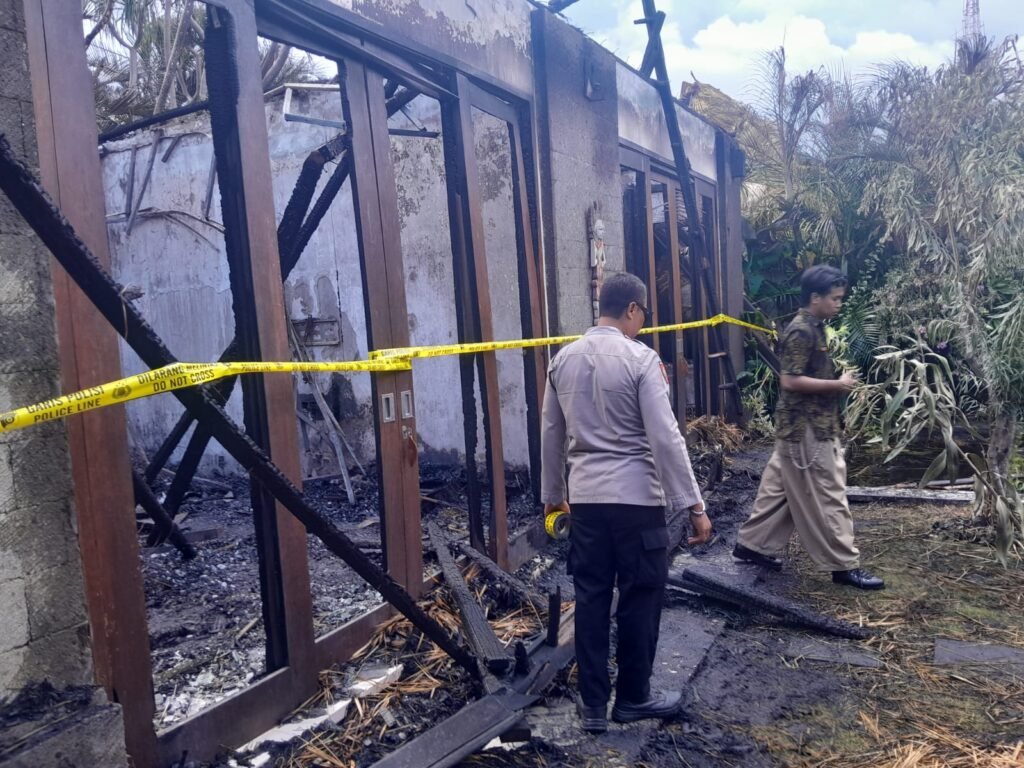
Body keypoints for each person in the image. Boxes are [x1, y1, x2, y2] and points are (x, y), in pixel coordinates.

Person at [540, 272, 712, 734]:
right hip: (638, 503)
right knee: (640, 598)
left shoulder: (562, 360)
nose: (642, 323)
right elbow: (665, 437)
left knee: (592, 599)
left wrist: (553, 498)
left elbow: (551, 434)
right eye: (643, 315)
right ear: (633, 309)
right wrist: (693, 506)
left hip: (588, 503)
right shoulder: (641, 360)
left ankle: (593, 705)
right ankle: (634, 698)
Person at [733, 265, 884, 591]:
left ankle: (751, 545)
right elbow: (789, 380)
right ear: (815, 298)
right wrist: (836, 383)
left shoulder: (813, 327)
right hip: (807, 431)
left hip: (800, 427)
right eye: (835, 298)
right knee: (829, 494)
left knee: (780, 489)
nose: (839, 304)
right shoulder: (801, 331)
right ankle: (843, 565)